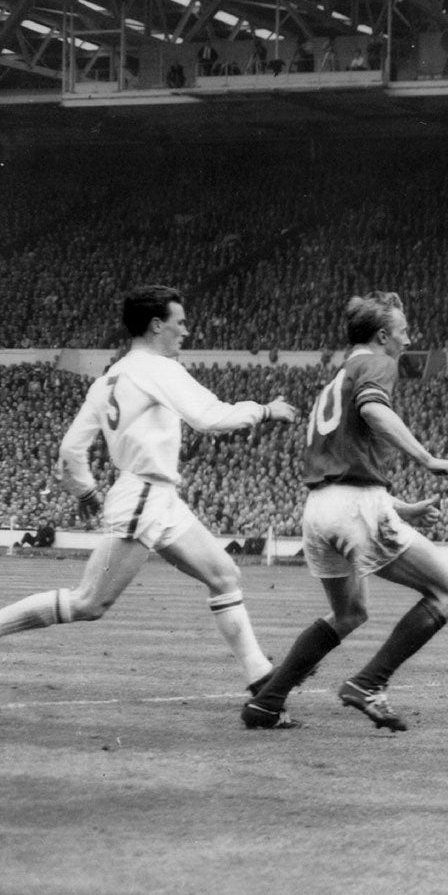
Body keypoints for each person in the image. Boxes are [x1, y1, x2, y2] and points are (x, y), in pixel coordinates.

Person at [0, 285, 298, 689]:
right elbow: (209, 417)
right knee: (89, 602)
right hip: (142, 493)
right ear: (157, 325)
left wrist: (86, 491)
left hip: (158, 497)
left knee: (225, 575)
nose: (186, 332)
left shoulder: (108, 378)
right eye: (181, 323)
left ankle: (261, 680)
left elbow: (71, 448)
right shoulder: (156, 368)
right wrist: (265, 410)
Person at [241, 291, 448, 732]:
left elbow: (340, 465)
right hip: (355, 509)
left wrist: (400, 508)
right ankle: (370, 682)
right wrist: (427, 458)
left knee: (349, 614)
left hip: (319, 511)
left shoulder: (340, 375)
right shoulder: (377, 363)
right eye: (404, 331)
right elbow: (374, 411)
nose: (408, 339)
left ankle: (266, 702)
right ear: (383, 335)